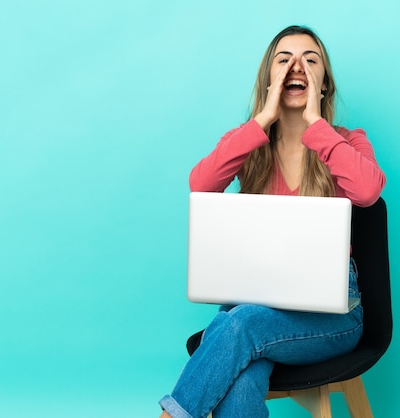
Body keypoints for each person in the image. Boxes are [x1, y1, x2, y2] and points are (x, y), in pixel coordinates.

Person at [159, 25, 386, 418]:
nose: (296, 66)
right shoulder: (247, 142)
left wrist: (318, 126)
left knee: (237, 324)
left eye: (310, 60)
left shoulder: (348, 142)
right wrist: (263, 117)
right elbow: (201, 185)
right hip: (254, 305)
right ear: (269, 79)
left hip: (333, 316)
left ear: (324, 83)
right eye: (284, 60)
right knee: (243, 373)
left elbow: (367, 192)